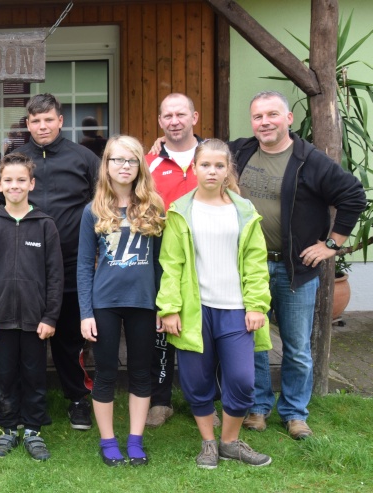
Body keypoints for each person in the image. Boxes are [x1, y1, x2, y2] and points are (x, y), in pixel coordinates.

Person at [231, 91, 366, 440]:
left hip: (294, 271)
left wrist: (331, 245)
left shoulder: (310, 160)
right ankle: (258, 407)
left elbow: (353, 195)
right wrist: (161, 143)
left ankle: (294, 412)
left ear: (289, 119)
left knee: (296, 347)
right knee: (255, 341)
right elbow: (200, 152)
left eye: (272, 115)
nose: (265, 122)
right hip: (250, 268)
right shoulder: (241, 152)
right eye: (258, 116)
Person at [157, 139, 273, 469]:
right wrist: (169, 308)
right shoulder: (180, 211)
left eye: (219, 165)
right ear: (194, 168)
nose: (212, 171)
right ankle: (209, 442)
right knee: (197, 380)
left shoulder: (244, 211)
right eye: (205, 165)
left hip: (236, 309)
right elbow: (171, 264)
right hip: (195, 310)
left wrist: (256, 305)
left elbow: (255, 262)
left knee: (242, 379)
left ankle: (230, 442)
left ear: (227, 170)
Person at [14, 93, 99, 430]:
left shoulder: (84, 158)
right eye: (35, 121)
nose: (42, 126)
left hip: (73, 262)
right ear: (28, 124)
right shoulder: (17, 160)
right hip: (27, 265)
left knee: (69, 339)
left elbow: (102, 205)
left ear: (60, 121)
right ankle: (26, 400)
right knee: (27, 337)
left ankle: (77, 398)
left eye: (48, 119)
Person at [78, 135, 165, 466]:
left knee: (142, 372)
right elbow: (84, 266)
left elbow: (161, 263)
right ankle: (108, 441)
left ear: (140, 165)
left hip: (143, 303)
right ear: (107, 165)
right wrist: (86, 313)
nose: (125, 166)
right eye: (118, 160)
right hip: (105, 304)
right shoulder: (93, 211)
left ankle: (135, 440)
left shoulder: (154, 207)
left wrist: (163, 306)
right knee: (106, 372)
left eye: (131, 160)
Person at [0, 152, 64, 462]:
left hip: (36, 319)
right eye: (9, 180)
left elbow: (55, 276)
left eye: (21, 180)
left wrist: (50, 316)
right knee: (5, 375)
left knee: (34, 375)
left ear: (31, 184)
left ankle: (33, 430)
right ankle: (9, 428)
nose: (15, 185)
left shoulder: (45, 225)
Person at [144, 93, 206, 428]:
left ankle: (204, 399)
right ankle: (160, 400)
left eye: (181, 114)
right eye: (167, 116)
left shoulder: (212, 156)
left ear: (194, 117)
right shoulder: (148, 161)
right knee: (161, 325)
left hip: (205, 254)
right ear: (160, 121)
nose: (174, 121)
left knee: (203, 325)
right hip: (160, 254)